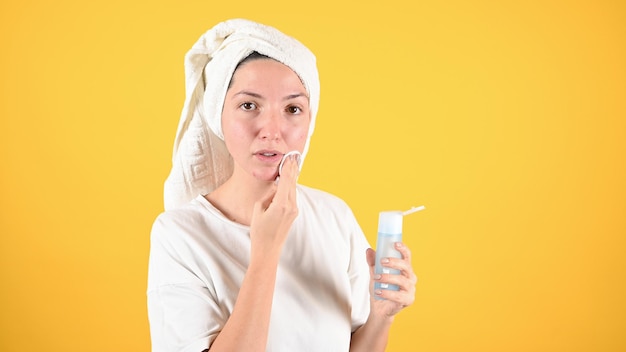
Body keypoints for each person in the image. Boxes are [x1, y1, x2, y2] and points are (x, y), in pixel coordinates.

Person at [147, 18, 417, 352]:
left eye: (293, 108)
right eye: (249, 105)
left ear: (310, 121)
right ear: (219, 115)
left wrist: (381, 316)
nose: (272, 130)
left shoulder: (335, 217)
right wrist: (265, 252)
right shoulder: (179, 236)